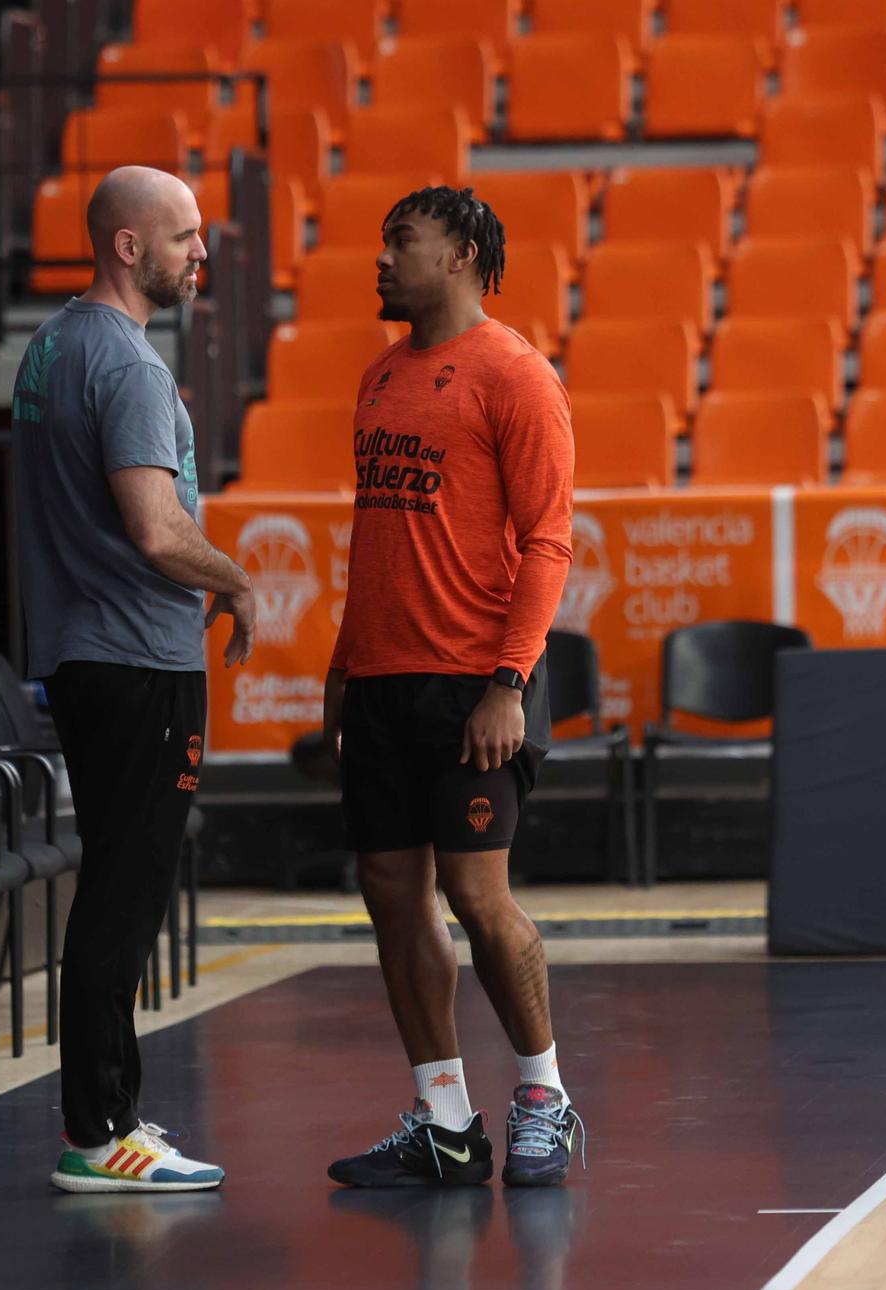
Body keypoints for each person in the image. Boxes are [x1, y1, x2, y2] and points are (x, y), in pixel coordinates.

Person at [323, 185, 585, 1189]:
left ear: (464, 253)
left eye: (402, 241)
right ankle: (441, 1118)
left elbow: (547, 543)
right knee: (393, 898)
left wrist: (508, 682)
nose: (381, 259)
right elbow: (373, 541)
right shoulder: (380, 377)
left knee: (478, 895)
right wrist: (344, 667)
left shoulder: (514, 374)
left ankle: (542, 1096)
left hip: (475, 687)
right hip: (384, 685)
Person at [11, 164, 255, 1193]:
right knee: (123, 893)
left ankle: (105, 1113)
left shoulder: (50, 347)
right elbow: (157, 530)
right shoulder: (128, 367)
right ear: (126, 246)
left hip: (83, 652)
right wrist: (236, 576)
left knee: (112, 884)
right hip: (137, 658)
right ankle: (99, 1125)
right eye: (184, 235)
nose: (201, 252)